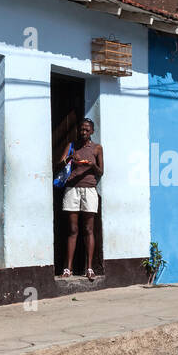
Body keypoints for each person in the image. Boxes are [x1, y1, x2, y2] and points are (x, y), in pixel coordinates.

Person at [61, 118, 103, 280]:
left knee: (88, 229)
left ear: (92, 131)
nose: (84, 132)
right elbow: (60, 162)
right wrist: (71, 157)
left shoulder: (97, 148)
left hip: (90, 190)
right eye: (81, 129)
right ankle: (68, 268)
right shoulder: (72, 145)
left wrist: (92, 165)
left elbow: (101, 171)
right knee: (73, 230)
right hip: (72, 189)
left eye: (87, 130)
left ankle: (90, 268)